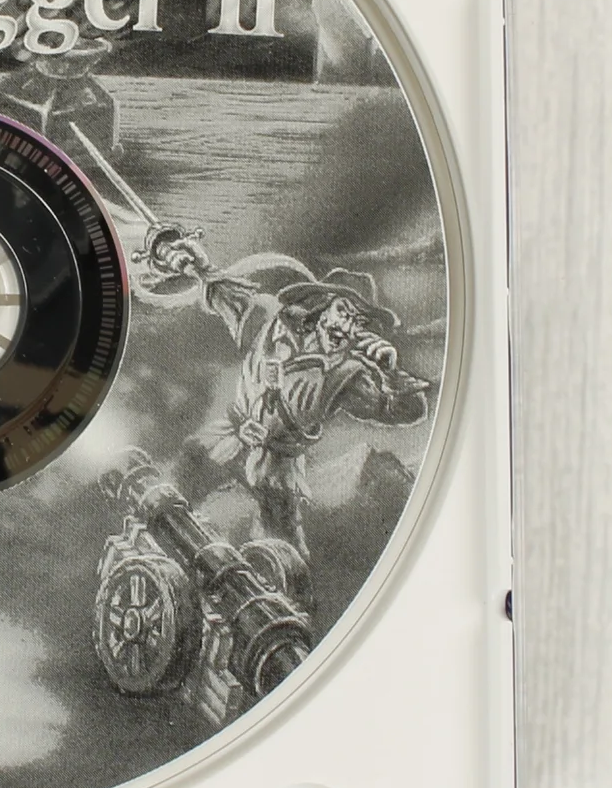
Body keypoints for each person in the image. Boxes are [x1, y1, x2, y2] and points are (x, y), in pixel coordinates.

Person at [132, 224, 432, 555]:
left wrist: (390, 371)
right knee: (170, 492)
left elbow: (410, 411)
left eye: (357, 322)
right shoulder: (267, 319)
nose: (346, 326)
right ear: (323, 306)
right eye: (343, 312)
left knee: (284, 553)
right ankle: (144, 548)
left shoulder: (348, 376)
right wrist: (188, 261)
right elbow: (222, 292)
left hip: (276, 465)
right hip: (229, 436)